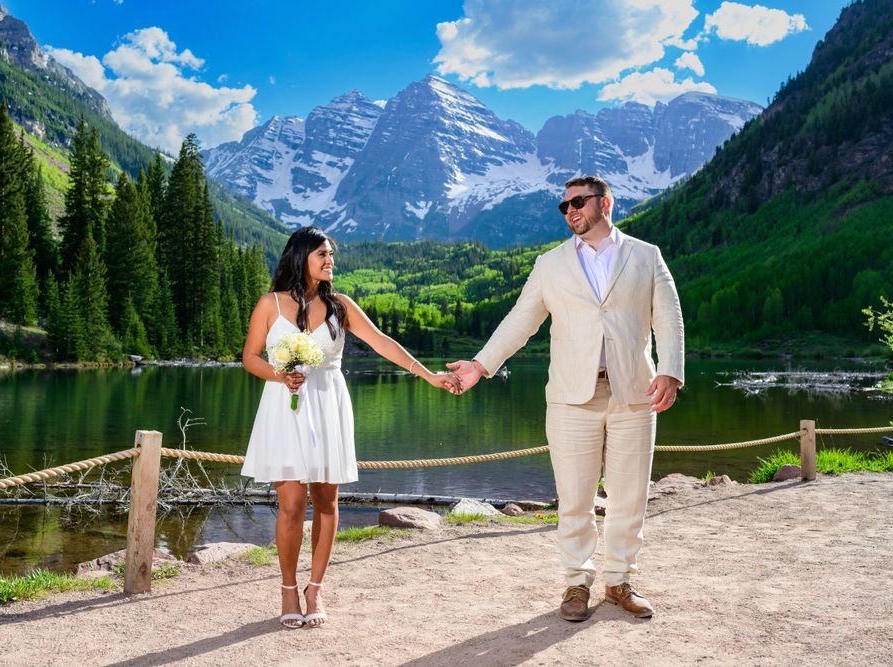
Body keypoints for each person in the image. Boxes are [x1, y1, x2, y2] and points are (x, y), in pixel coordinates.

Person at [447, 175, 684, 622]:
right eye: (564, 206)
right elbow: (521, 321)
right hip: (571, 399)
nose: (570, 211)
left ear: (605, 203)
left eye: (578, 202)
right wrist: (480, 365)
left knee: (629, 496)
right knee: (574, 498)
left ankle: (619, 582)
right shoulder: (550, 263)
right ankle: (577, 582)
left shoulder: (646, 255)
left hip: (634, 393)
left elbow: (669, 319)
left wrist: (671, 370)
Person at [241, 226, 459, 629]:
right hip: (284, 408)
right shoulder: (270, 304)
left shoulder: (340, 305)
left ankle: (315, 586)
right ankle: (288, 589)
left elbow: (382, 342)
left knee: (326, 502)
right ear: (300, 256)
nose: (330, 261)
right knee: (290, 505)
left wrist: (428, 375)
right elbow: (249, 357)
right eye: (322, 254)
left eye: (332, 255)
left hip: (328, 405)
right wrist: (278, 375)